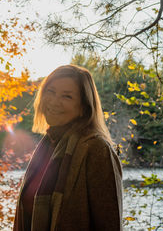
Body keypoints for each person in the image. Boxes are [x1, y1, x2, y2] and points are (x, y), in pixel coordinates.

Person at [13, 65, 122, 231]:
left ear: (83, 108)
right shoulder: (48, 145)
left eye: (67, 96)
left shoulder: (96, 149)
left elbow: (109, 223)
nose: (54, 101)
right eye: (50, 91)